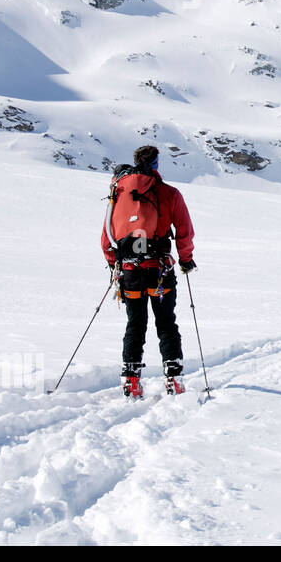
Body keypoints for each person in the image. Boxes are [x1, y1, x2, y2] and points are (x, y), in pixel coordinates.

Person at [102, 145, 196, 398]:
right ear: (156, 164)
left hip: (129, 271)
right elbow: (184, 232)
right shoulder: (169, 193)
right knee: (166, 323)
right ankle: (174, 379)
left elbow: (106, 238)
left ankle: (131, 380)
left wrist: (115, 265)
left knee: (135, 323)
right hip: (159, 271)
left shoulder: (118, 194)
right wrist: (186, 260)